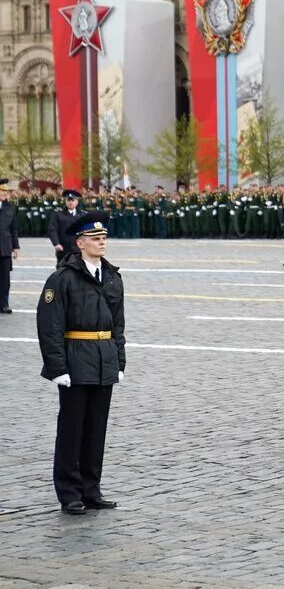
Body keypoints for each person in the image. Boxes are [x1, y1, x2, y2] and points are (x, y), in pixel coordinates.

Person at [36, 211, 125, 515]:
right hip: (75, 359)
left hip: (104, 359)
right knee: (72, 429)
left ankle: (91, 489)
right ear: (79, 243)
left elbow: (118, 324)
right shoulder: (63, 278)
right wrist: (57, 368)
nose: (102, 243)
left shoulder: (112, 275)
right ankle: (69, 492)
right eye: (95, 238)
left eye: (104, 238)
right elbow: (50, 326)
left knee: (96, 429)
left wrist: (119, 361)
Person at [49, 189, 84, 263]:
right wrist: (56, 243)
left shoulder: (82, 215)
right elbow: (52, 229)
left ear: (77, 201)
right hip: (63, 248)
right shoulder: (58, 214)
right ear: (65, 201)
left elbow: (87, 231)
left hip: (78, 248)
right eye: (68, 200)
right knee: (62, 271)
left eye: (73, 200)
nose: (70, 202)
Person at [0, 178, 18, 313]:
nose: (5, 194)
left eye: (6, 191)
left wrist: (15, 247)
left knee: (5, 279)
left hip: (5, 248)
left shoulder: (10, 207)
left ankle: (4, 304)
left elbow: (14, 229)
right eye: (2, 191)